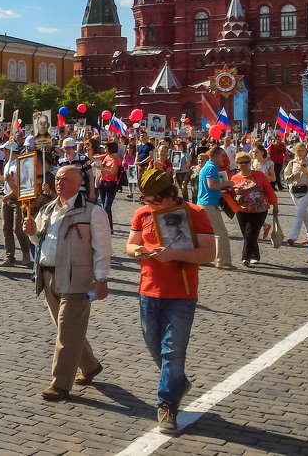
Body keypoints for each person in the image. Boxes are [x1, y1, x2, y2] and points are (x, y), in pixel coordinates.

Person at [126, 168, 216, 434]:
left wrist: (173, 255)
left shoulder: (195, 213)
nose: (150, 206)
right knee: (156, 348)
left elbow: (209, 253)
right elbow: (130, 245)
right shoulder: (142, 213)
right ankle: (178, 382)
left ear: (171, 194)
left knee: (172, 352)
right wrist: (140, 251)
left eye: (155, 200)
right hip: (148, 291)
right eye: (147, 201)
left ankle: (166, 406)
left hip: (181, 293)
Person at [23, 165, 112, 401]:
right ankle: (91, 366)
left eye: (65, 179)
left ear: (77, 183)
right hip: (48, 276)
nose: (59, 183)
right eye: (58, 179)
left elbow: (103, 249)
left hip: (78, 280)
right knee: (68, 331)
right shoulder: (48, 209)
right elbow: (38, 240)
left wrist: (101, 279)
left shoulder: (93, 212)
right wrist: (31, 231)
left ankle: (60, 385)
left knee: (66, 333)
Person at [230, 152, 277, 267]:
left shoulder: (259, 175)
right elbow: (230, 194)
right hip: (241, 211)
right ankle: (255, 255)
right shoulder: (234, 178)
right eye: (241, 163)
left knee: (250, 233)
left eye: (247, 162)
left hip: (259, 210)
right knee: (248, 235)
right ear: (237, 164)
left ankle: (245, 257)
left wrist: (275, 204)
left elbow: (268, 190)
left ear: (250, 163)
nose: (245, 165)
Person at [0, 141, 30, 267]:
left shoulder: (20, 164)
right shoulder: (7, 163)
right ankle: (9, 256)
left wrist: (10, 194)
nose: (3, 152)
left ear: (9, 151)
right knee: (6, 228)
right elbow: (5, 182)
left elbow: (21, 185)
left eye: (4, 150)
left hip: (18, 199)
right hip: (7, 198)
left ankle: (25, 253)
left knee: (18, 229)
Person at [283, 142, 308, 245]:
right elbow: (286, 178)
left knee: (300, 212)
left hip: (307, 189)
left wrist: (305, 171)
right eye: (298, 150)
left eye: (303, 150)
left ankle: (293, 237)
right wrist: (293, 174)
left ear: (306, 151)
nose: (301, 153)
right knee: (303, 213)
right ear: (295, 151)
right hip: (294, 190)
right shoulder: (292, 163)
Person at [96, 141, 122, 223]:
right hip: (103, 183)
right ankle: (108, 226)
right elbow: (92, 157)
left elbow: (111, 172)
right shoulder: (106, 157)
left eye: (106, 147)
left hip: (111, 185)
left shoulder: (116, 159)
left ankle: (108, 225)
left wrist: (100, 168)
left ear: (110, 148)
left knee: (107, 207)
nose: (104, 149)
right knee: (104, 207)